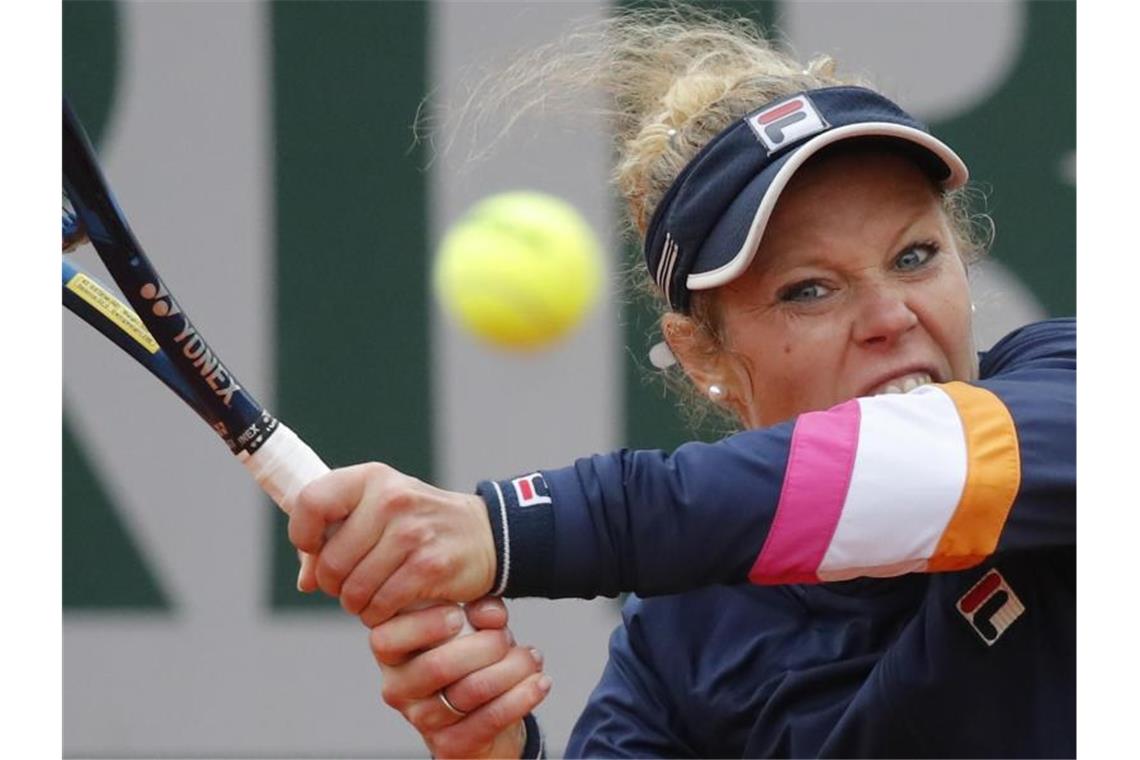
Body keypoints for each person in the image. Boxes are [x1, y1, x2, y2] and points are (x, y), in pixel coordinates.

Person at [285, 9, 1075, 758]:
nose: (889, 315)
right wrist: (497, 750)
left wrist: (502, 531)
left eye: (913, 257)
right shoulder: (681, 642)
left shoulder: (1076, 391)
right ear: (702, 355)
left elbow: (916, 466)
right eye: (810, 289)